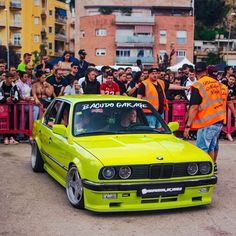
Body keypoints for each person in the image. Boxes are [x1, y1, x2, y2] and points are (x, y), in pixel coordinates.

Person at [183, 62, 236, 172]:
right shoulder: (219, 84)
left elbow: (193, 107)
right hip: (219, 120)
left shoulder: (197, 85)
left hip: (206, 122)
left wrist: (188, 126)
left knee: (202, 149)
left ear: (195, 72)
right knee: (211, 147)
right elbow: (227, 102)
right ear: (206, 71)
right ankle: (211, 169)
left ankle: (203, 172)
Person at [0, 72, 20, 144]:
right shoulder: (1, 85)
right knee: (4, 122)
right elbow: (0, 98)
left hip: (11, 107)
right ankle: (5, 137)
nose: (12, 80)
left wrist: (14, 99)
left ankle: (11, 137)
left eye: (12, 78)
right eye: (10, 78)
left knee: (12, 121)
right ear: (6, 78)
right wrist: (5, 99)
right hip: (2, 108)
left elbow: (18, 97)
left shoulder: (14, 86)